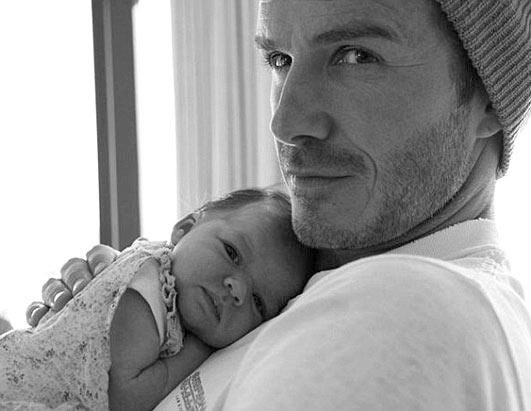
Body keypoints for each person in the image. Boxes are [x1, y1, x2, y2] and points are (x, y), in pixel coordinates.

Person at [29, 0, 531, 409]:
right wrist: (102, 323)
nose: (286, 122)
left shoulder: (396, 312)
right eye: (279, 60)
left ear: (488, 96)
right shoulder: (302, 297)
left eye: (355, 56)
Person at [1, 189, 313, 410]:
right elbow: (124, 397)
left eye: (258, 302)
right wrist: (198, 350)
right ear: (184, 229)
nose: (237, 290)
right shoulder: (149, 290)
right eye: (232, 253)